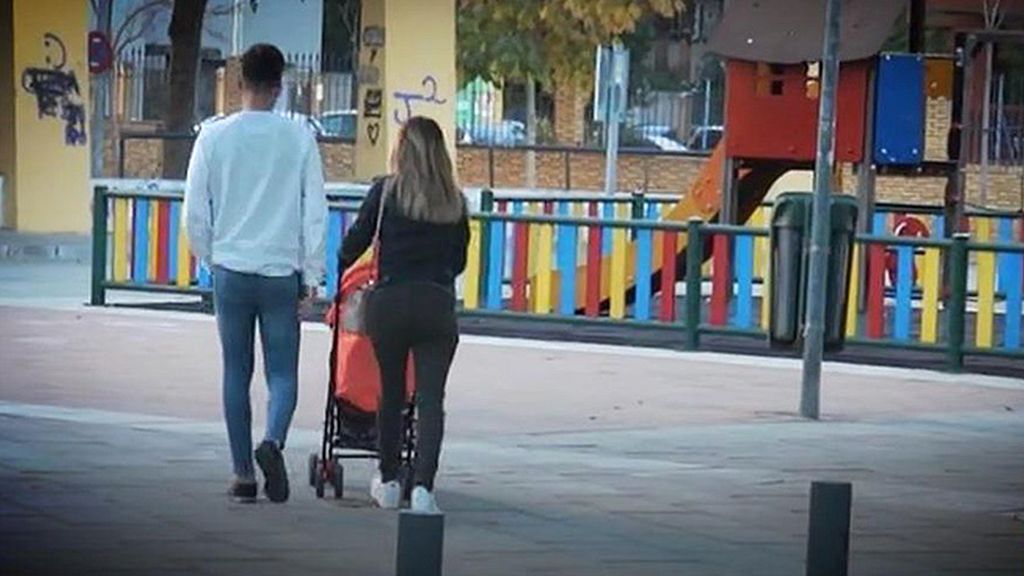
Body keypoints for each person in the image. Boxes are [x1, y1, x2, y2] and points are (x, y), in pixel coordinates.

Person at [183, 43, 327, 503]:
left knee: (235, 370)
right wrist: (312, 274)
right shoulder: (300, 138)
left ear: (239, 82)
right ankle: (274, 442)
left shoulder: (213, 136)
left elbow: (194, 213)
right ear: (280, 87)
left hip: (231, 268)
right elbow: (315, 213)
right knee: (282, 372)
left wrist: (210, 256)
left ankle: (243, 474)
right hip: (281, 271)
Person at [339, 116, 469, 514]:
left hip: (389, 304)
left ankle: (389, 479)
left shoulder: (384, 192)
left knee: (391, 393)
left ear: (402, 151)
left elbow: (351, 246)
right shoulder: (455, 201)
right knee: (431, 400)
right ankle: (424, 489)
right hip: (436, 306)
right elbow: (459, 262)